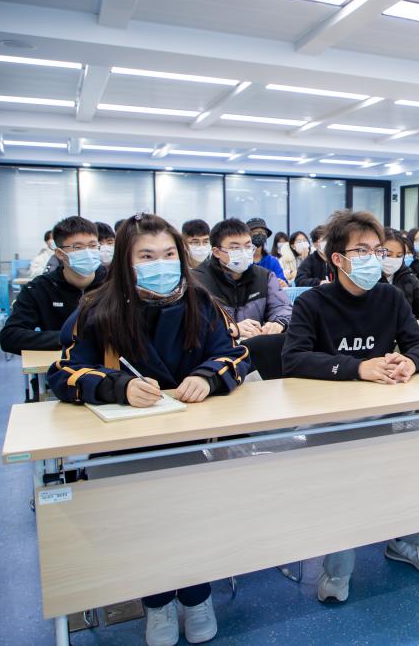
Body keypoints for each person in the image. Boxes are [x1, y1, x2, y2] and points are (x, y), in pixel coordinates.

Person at [47, 213, 248, 646]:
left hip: (189, 442)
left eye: (169, 254)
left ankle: (196, 598)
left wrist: (208, 377)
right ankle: (156, 604)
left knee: (192, 521)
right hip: (122, 447)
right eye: (147, 256)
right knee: (145, 529)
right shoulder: (97, 309)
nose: (161, 264)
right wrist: (117, 386)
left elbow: (235, 355)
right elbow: (63, 372)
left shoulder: (201, 302)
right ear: (126, 261)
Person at [280, 209, 419, 605]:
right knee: (343, 481)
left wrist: (411, 361)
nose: (374, 258)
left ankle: (410, 542)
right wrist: (357, 368)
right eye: (363, 251)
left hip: (388, 415)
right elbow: (293, 359)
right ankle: (338, 569)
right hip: (330, 424)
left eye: (378, 250)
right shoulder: (312, 303)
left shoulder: (390, 297)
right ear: (338, 259)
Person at [193, 219, 292, 378]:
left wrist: (278, 323)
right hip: (214, 358)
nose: (244, 252)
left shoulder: (264, 277)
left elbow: (283, 307)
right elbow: (194, 324)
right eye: (235, 248)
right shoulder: (197, 281)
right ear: (216, 252)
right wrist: (231, 328)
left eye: (247, 246)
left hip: (255, 354)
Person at [0, 216, 108, 355]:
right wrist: (69, 337)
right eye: (77, 247)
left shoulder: (114, 283)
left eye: (93, 246)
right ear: (60, 254)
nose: (87, 252)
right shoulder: (40, 288)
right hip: (62, 364)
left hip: (110, 362)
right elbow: (10, 337)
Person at [246, 217, 287, 284]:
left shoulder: (272, 261)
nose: (260, 234)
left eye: (263, 232)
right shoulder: (243, 261)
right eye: (255, 232)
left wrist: (282, 283)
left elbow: (283, 281)